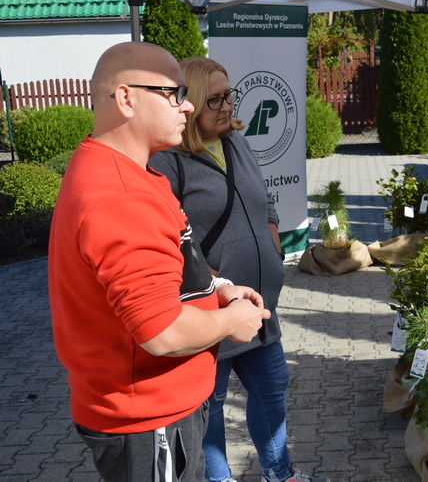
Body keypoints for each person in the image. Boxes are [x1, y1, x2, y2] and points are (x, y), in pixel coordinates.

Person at [48, 42, 271, 482]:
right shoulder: (120, 196)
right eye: (174, 93)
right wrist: (233, 322)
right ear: (127, 98)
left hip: (153, 411)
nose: (188, 105)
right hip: (148, 420)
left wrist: (218, 288)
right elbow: (162, 332)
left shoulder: (126, 170)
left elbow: (172, 262)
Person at [149, 57, 328, 482]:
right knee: (208, 406)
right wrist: (213, 281)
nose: (227, 105)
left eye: (229, 95)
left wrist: (271, 245)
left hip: (260, 304)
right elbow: (169, 237)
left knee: (273, 387)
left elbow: (264, 200)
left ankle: (280, 472)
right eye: (215, 99)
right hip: (212, 310)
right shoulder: (168, 161)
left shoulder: (236, 141)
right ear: (189, 104)